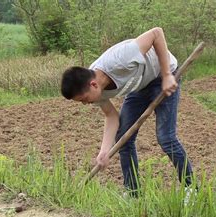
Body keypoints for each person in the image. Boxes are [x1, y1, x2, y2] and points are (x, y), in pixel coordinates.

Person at [61, 27, 194, 199]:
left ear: (93, 85)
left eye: (83, 99)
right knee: (123, 138)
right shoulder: (95, 91)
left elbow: (156, 33)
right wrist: (104, 151)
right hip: (140, 86)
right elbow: (111, 116)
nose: (85, 103)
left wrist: (168, 75)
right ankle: (133, 192)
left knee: (166, 138)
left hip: (163, 76)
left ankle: (192, 189)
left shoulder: (120, 59)